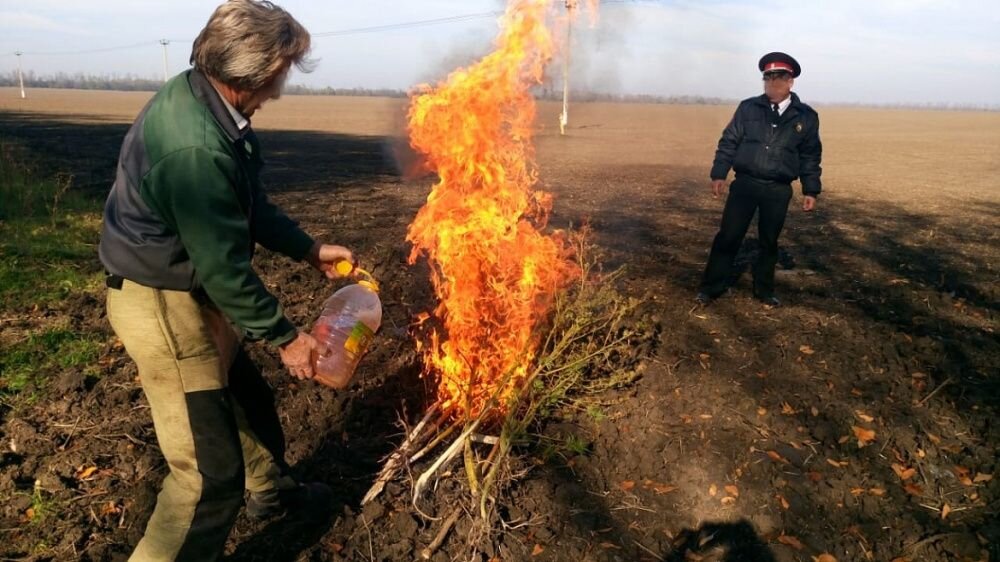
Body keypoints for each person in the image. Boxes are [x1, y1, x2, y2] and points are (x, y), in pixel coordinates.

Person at [98, 1, 350, 559]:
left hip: (188, 283)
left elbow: (245, 202)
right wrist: (286, 337)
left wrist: (307, 249)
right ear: (251, 73)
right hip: (163, 302)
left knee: (248, 403)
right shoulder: (196, 147)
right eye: (282, 71)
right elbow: (225, 270)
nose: (282, 87)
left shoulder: (209, 102)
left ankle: (273, 492)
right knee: (207, 475)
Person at [697, 52, 823, 307]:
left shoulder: (806, 116)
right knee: (728, 236)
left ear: (790, 82)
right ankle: (711, 287)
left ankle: (764, 291)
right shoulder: (748, 108)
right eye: (768, 78)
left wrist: (811, 190)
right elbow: (729, 141)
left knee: (769, 242)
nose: (772, 84)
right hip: (745, 185)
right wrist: (719, 173)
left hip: (778, 190)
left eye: (778, 79)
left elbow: (810, 155)